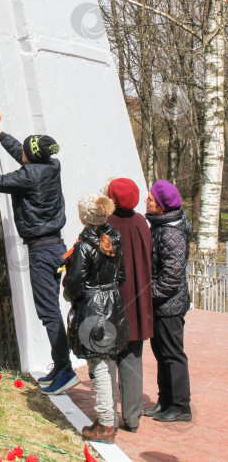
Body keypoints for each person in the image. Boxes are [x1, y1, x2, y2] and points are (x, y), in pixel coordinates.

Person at [0, 110, 80, 395]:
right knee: (51, 310)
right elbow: (22, 154)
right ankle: (60, 365)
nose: (19, 151)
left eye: (24, 150)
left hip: (42, 251)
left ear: (30, 158)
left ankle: (65, 370)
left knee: (48, 312)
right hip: (55, 246)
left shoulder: (28, 176)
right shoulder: (51, 166)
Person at [64, 192, 130, 445]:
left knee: (98, 366)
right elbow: (121, 276)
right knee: (103, 362)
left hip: (93, 308)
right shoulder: (115, 238)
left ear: (83, 216)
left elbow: (75, 284)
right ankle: (103, 419)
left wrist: (71, 294)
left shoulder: (84, 246)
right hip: (112, 304)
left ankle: (105, 424)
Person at [105, 178, 153, 433]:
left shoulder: (106, 226)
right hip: (138, 303)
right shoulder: (141, 223)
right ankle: (133, 418)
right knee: (133, 360)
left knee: (108, 360)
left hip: (112, 303)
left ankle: (109, 417)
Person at [144, 180, 192, 422]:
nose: (146, 201)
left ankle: (181, 406)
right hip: (160, 304)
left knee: (172, 354)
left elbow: (171, 275)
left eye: (150, 199)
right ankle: (165, 401)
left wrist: (147, 295)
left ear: (161, 207)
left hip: (169, 305)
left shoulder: (172, 231)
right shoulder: (161, 226)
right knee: (161, 353)